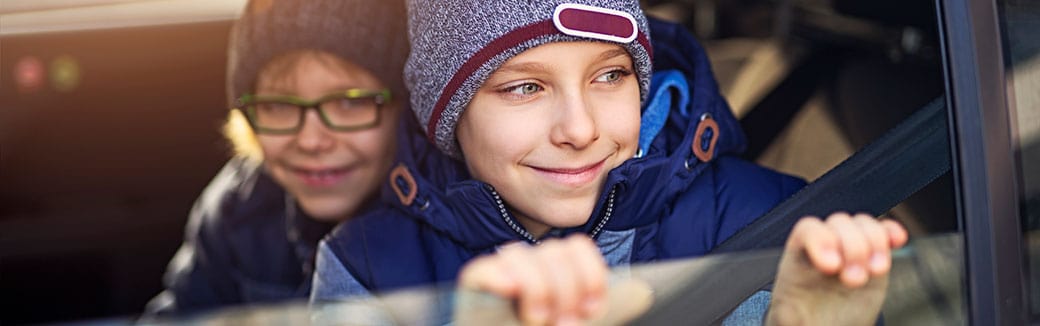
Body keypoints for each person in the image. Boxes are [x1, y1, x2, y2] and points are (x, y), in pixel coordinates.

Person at [311, 0, 908, 325]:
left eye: (610, 75)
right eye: (525, 87)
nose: (580, 129)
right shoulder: (366, 268)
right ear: (448, 116)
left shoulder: (777, 226)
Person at [145, 0, 408, 315]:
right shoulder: (237, 211)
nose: (311, 140)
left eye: (350, 103)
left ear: (406, 110)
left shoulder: (442, 226)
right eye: (279, 106)